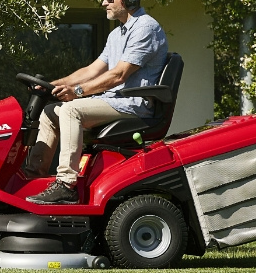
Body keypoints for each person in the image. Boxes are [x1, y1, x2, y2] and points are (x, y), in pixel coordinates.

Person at [25, 0, 168, 205]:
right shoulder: (116, 34)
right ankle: (32, 178)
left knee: (70, 111)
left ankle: (65, 185)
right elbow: (92, 71)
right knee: (50, 112)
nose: (103, 3)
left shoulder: (146, 28)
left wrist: (78, 92)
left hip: (133, 105)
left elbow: (119, 75)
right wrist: (51, 85)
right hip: (113, 101)